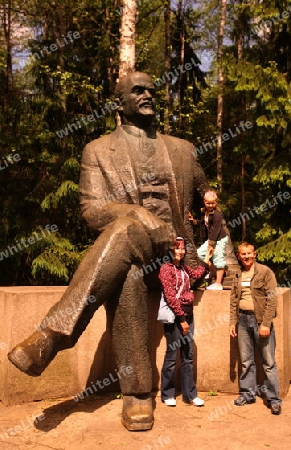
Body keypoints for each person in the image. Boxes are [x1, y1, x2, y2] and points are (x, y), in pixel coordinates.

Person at [8, 71, 211, 431]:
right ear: (120, 103)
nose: (148, 95)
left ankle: (52, 336)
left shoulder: (182, 149)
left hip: (178, 260)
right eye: (138, 90)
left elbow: (210, 204)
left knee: (124, 238)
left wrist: (219, 252)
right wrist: (138, 214)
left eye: (151, 89)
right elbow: (92, 211)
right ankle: (137, 394)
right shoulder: (98, 150)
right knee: (127, 265)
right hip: (132, 256)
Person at [229, 242, 282, 415]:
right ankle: (247, 394)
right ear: (238, 255)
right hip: (243, 320)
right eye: (243, 254)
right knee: (246, 361)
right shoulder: (237, 273)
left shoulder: (265, 272)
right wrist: (232, 321)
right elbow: (233, 299)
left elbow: (272, 299)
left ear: (255, 254)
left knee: (268, 363)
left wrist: (266, 323)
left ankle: (274, 399)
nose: (246, 257)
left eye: (249, 253)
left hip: (260, 321)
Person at [159, 237, 212, 407]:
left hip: (189, 315)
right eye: (177, 248)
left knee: (187, 356)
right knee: (172, 356)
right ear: (170, 250)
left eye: (182, 248)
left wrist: (207, 260)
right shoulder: (166, 269)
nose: (181, 251)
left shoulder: (182, 267)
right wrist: (181, 319)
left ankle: (190, 395)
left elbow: (197, 274)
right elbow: (170, 296)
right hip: (176, 318)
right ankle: (167, 394)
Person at [188, 190, 228, 290]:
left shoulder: (217, 215)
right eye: (208, 203)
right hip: (211, 239)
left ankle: (218, 283)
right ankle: (213, 271)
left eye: (213, 203)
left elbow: (216, 230)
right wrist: (193, 221)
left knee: (218, 258)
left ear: (216, 202)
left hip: (219, 239)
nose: (210, 205)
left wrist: (211, 244)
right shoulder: (204, 212)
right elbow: (202, 222)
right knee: (199, 254)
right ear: (204, 201)